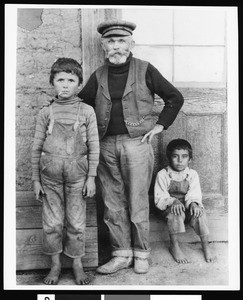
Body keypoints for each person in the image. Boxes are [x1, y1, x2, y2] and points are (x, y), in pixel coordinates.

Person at [78, 19, 184, 274]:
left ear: (131, 44)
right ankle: (121, 254)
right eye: (111, 42)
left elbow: (174, 98)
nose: (116, 47)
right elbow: (82, 102)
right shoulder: (98, 74)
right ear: (104, 46)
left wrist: (160, 126)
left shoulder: (145, 69)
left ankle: (142, 253)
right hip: (104, 145)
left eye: (121, 41)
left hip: (136, 143)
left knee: (137, 199)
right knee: (112, 202)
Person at [31, 57, 100, 285]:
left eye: (71, 80)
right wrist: (35, 179)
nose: (65, 85)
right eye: (60, 79)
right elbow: (36, 146)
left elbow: (94, 147)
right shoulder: (46, 113)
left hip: (77, 177)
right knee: (52, 223)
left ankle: (77, 264)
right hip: (49, 177)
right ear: (53, 82)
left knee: (77, 223)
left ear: (79, 84)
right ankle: (55, 265)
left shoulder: (87, 111)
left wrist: (91, 177)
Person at [154, 139, 216, 264]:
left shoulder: (192, 174)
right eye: (175, 156)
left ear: (190, 159)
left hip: (187, 207)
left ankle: (205, 245)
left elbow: (194, 193)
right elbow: (160, 197)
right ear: (169, 158)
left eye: (184, 157)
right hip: (169, 208)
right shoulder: (163, 174)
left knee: (200, 213)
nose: (180, 160)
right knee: (175, 213)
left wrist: (194, 203)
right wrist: (173, 202)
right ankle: (174, 246)